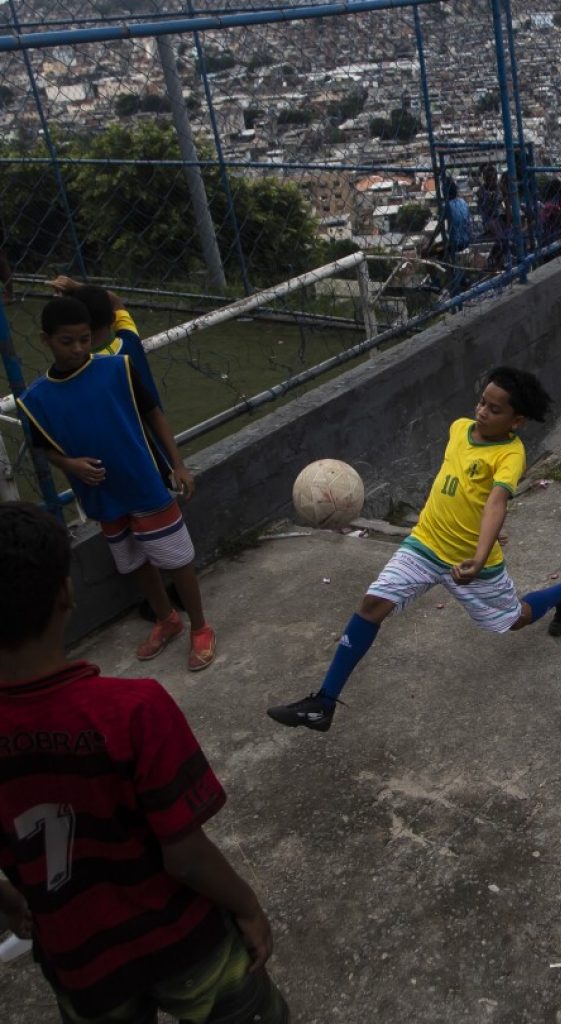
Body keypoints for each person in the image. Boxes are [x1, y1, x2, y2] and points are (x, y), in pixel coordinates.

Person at [0, 501, 287, 1023]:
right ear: (66, 593)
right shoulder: (132, 710)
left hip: (78, 962)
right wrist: (246, 905)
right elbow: (185, 855)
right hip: (181, 940)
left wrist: (8, 899)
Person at [267, 366, 561, 732]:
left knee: (515, 620)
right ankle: (323, 703)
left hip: (469, 561)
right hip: (425, 543)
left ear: (518, 421)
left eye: (495, 410)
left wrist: (481, 555)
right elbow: (460, 488)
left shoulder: (510, 454)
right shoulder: (458, 429)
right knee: (371, 605)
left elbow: (496, 500)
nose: (482, 411)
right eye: (482, 402)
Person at [16, 297, 216, 671]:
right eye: (67, 341)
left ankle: (201, 627)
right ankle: (166, 619)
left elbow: (154, 412)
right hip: (101, 495)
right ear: (46, 341)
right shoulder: (35, 400)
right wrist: (70, 464)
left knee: (176, 559)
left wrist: (178, 465)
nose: (77, 348)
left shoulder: (118, 368)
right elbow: (44, 449)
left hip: (144, 483)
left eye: (84, 339)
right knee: (133, 561)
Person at [48, 274, 162, 408]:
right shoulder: (130, 340)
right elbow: (114, 300)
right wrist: (76, 286)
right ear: (113, 318)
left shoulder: (78, 365)